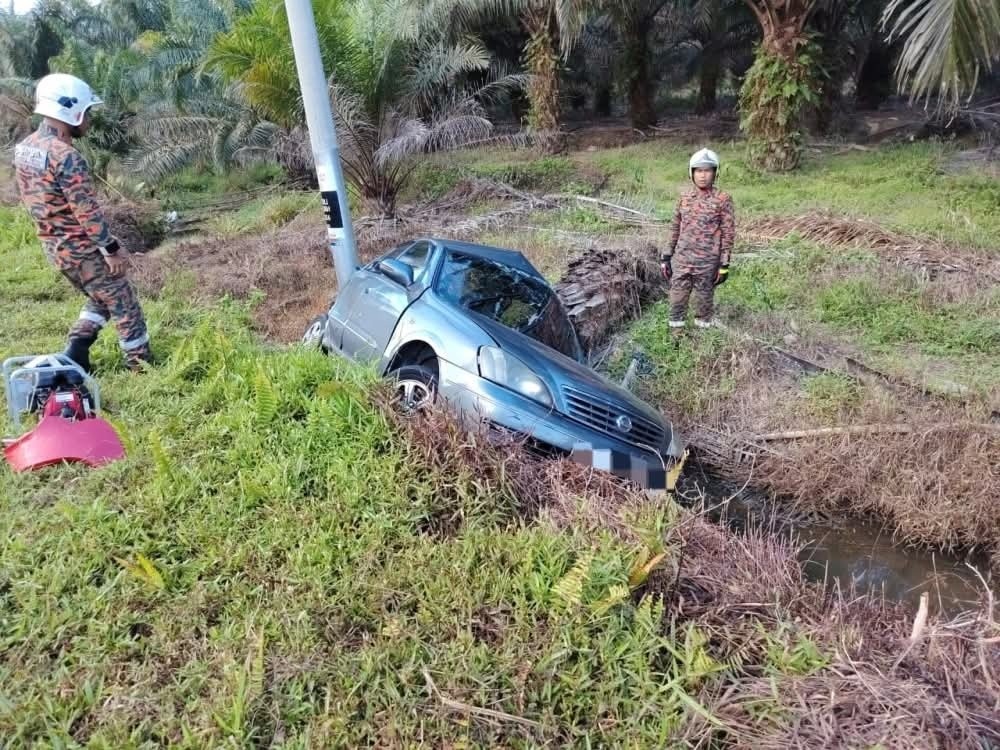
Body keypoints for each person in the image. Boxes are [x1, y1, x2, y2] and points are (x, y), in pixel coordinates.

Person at [13, 73, 152, 373]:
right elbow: (86, 212)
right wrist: (111, 248)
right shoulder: (66, 157)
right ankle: (141, 366)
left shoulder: (25, 148)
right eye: (87, 112)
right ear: (70, 111)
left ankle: (77, 351)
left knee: (99, 295)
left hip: (55, 248)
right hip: (81, 250)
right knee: (124, 302)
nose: (89, 120)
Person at [660, 148, 735, 337]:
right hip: (683, 260)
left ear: (715, 173)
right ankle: (676, 338)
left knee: (704, 302)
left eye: (707, 170)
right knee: (677, 300)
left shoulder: (722, 199)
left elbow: (728, 232)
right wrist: (666, 256)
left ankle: (702, 340)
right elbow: (675, 227)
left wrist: (724, 264)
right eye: (698, 171)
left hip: (707, 263)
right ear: (692, 173)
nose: (703, 175)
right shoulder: (685, 198)